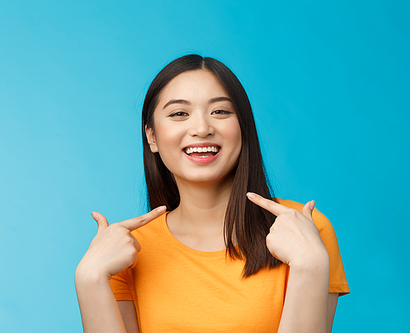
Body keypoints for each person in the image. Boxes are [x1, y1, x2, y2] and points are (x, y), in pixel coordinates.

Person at [75, 54, 350, 333]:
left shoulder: (304, 229)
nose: (202, 129)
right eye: (179, 114)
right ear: (152, 137)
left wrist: (309, 265)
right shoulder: (125, 251)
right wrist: (90, 279)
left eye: (220, 111)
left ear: (243, 127)